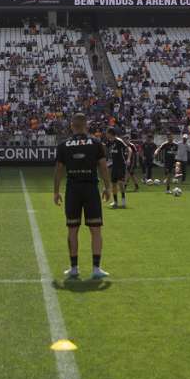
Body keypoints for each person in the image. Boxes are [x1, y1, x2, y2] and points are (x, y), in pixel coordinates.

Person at [54, 113, 112, 280]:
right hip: (90, 188)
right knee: (95, 229)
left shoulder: (63, 145)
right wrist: (107, 187)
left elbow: (58, 170)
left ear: (72, 126)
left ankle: (74, 268)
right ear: (86, 125)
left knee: (72, 229)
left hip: (73, 189)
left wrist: (56, 191)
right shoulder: (96, 143)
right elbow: (103, 167)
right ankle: (96, 268)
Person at [105, 127, 131, 208]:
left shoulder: (119, 141)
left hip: (121, 165)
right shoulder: (110, 142)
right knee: (113, 184)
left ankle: (123, 201)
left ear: (110, 133)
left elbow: (129, 149)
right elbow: (104, 147)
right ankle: (115, 202)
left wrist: (128, 159)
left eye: (107, 133)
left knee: (120, 183)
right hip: (114, 165)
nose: (106, 135)